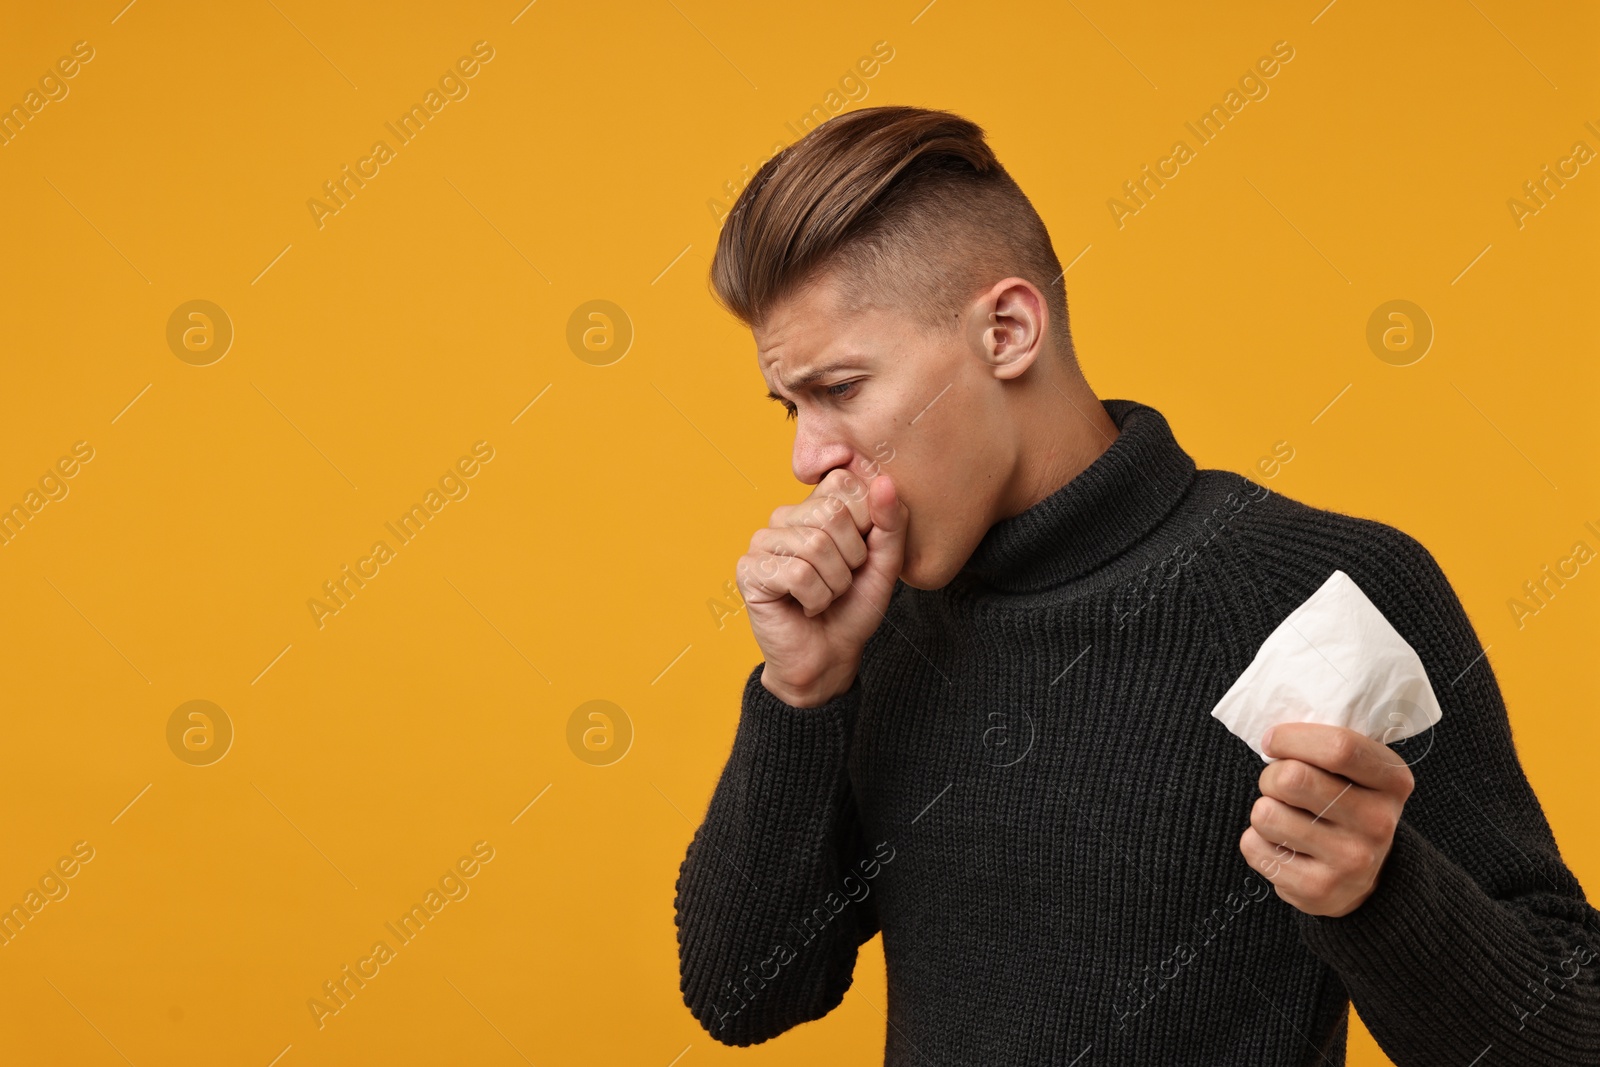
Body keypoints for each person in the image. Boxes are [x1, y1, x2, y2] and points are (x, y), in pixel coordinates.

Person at [672, 105, 1600, 1065]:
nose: (807, 456)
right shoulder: (881, 633)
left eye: (841, 388)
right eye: (790, 405)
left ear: (1007, 330)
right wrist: (801, 693)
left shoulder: (1324, 594)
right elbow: (743, 995)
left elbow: (1569, 1039)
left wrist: (1381, 889)